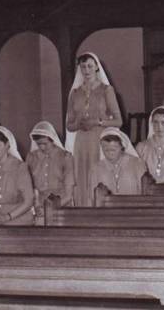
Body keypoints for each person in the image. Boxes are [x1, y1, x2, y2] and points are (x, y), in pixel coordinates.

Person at [65, 52, 122, 206]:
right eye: (83, 67)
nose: (87, 70)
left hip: (100, 139)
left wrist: (98, 122)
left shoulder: (106, 90)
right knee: (82, 176)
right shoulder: (75, 93)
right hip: (81, 141)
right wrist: (78, 124)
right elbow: (69, 125)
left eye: (90, 66)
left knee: (99, 174)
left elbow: (118, 121)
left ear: (97, 67)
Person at [26, 121, 75, 215]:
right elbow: (30, 188)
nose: (42, 147)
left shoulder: (65, 157)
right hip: (40, 207)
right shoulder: (31, 157)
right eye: (39, 144)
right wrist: (37, 206)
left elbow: (68, 195)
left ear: (53, 140)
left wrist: (49, 209)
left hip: (62, 205)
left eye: (45, 144)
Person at [90, 127, 147, 199]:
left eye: (113, 149)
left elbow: (145, 193)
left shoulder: (137, 164)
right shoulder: (96, 168)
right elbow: (92, 196)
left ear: (122, 147)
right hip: (106, 209)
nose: (110, 153)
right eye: (106, 150)